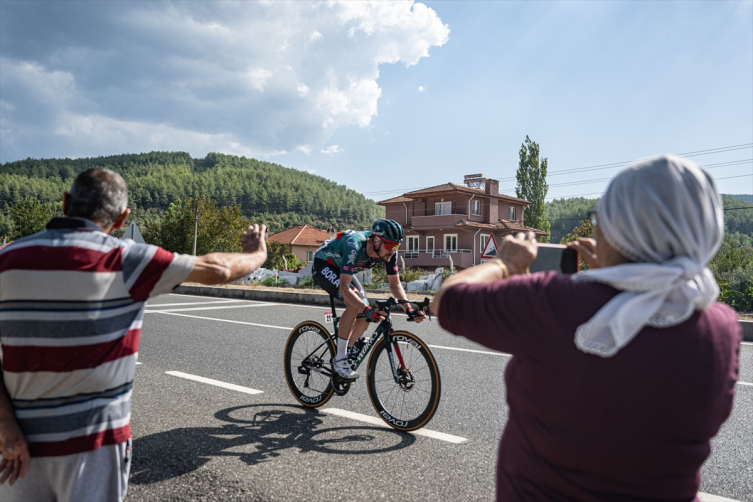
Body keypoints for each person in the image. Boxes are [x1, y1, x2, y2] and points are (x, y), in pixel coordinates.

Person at [433, 155, 740, 501]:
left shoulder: (556, 303)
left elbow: (448, 300)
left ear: (619, 229)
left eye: (601, 219)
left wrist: (505, 263)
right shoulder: (722, 328)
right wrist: (615, 268)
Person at [0, 168, 268, 502]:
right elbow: (218, 270)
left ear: (66, 202)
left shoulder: (7, 259)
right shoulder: (126, 259)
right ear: (122, 217)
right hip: (95, 445)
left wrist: (6, 426)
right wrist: (258, 253)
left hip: (17, 447)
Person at [312, 219, 425, 380]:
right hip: (324, 264)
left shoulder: (388, 252)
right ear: (376, 241)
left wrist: (409, 309)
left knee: (365, 314)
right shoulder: (355, 244)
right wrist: (366, 309)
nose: (393, 251)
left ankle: (348, 349)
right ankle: (340, 359)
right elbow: (344, 288)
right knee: (355, 303)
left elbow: (394, 284)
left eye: (396, 246)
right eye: (390, 246)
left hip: (343, 270)